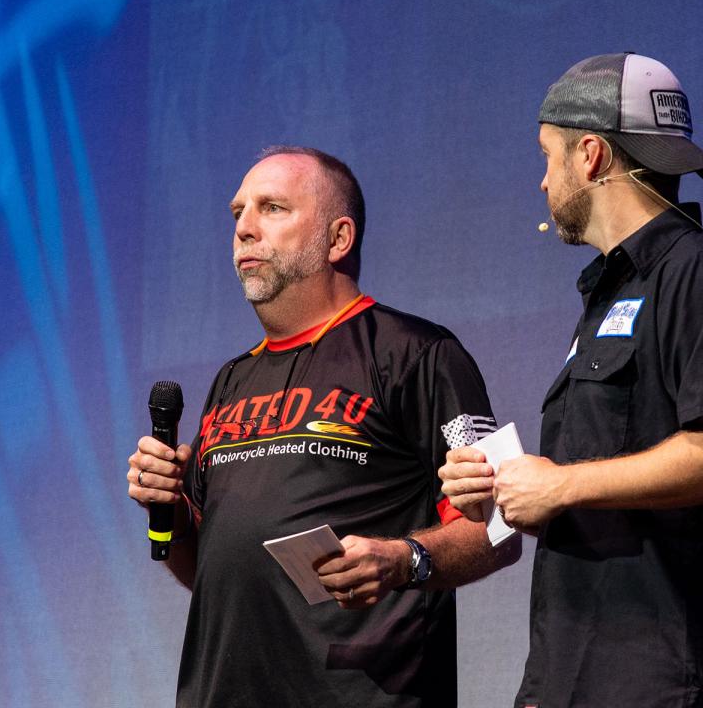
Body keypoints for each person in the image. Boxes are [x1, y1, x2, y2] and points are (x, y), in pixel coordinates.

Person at [439, 53, 703, 707]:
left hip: (659, 685)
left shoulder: (699, 278)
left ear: (591, 155)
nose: (543, 181)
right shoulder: (613, 296)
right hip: (575, 677)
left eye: (549, 157)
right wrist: (509, 491)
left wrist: (560, 485)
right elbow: (610, 490)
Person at [127, 146, 519, 707]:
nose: (244, 229)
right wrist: (171, 511)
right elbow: (208, 572)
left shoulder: (422, 355)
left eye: (272, 208)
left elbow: (501, 528)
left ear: (338, 239)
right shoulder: (231, 380)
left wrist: (404, 559)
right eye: (238, 212)